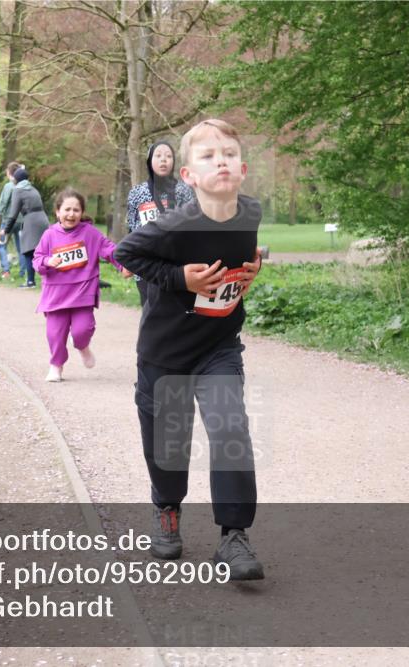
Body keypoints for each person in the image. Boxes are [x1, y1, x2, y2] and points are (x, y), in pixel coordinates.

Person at [114, 119, 265, 580]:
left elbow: (238, 262)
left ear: (242, 168)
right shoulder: (170, 226)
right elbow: (126, 254)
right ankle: (167, 508)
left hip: (218, 345)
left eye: (228, 153)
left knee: (230, 429)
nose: (220, 160)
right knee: (169, 445)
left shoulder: (251, 213)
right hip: (165, 350)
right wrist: (182, 279)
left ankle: (233, 537)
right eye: (207, 155)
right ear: (188, 177)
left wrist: (249, 273)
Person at [33, 188, 131, 382]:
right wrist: (47, 262)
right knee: (55, 335)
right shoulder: (49, 235)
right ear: (58, 212)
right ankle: (56, 366)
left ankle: (82, 346)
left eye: (76, 210)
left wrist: (123, 265)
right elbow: (37, 259)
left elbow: (110, 250)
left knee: (82, 330)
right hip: (56, 296)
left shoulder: (90, 233)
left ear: (82, 212)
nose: (71, 214)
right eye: (67, 209)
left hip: (82, 294)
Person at [126, 140, 194, 305]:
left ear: (174, 161)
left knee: (175, 312)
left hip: (176, 263)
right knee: (150, 312)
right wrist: (129, 260)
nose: (163, 160)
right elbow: (132, 227)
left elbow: (192, 225)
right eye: (158, 156)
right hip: (146, 263)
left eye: (168, 156)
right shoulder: (137, 192)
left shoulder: (183, 190)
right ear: (149, 161)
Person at [0, 168, 48, 288]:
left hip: (31, 220)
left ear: (16, 179)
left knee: (27, 251)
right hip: (43, 219)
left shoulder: (18, 190)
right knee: (43, 250)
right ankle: (48, 279)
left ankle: (30, 281)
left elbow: (13, 213)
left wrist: (6, 229)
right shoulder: (33, 188)